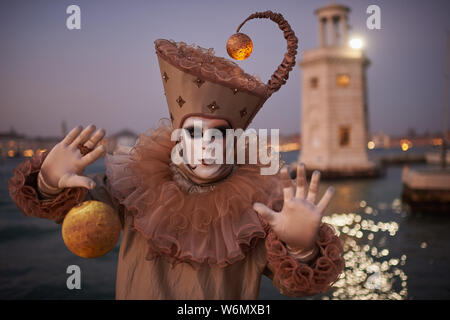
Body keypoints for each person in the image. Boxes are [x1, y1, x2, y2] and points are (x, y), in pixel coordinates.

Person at [8, 11, 344, 299]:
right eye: (195, 132)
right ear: (179, 136)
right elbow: (79, 207)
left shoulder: (261, 207)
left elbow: (294, 284)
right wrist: (50, 183)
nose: (208, 144)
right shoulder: (133, 186)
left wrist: (302, 250)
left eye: (221, 133)